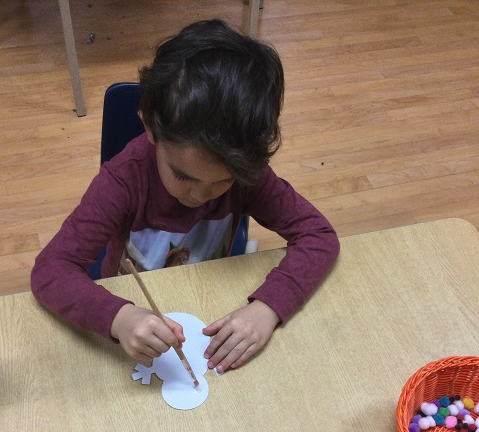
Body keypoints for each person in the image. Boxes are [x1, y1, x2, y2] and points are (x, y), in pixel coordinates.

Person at [31, 19, 340, 374]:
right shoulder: (123, 181)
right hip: (136, 302)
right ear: (149, 126)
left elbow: (319, 236)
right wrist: (118, 317)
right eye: (182, 175)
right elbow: (50, 271)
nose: (199, 195)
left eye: (222, 182)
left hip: (215, 301)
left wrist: (267, 308)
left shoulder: (246, 173)